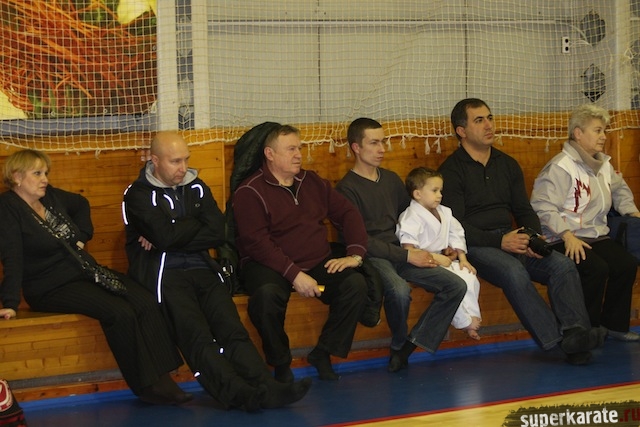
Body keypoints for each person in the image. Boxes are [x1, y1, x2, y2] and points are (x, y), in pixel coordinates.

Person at [122, 131, 311, 411]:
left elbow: (217, 232)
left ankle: (266, 386)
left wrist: (172, 230)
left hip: (203, 268)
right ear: (155, 160)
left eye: (186, 160)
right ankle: (236, 393)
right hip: (165, 276)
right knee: (197, 337)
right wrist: (184, 228)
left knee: (231, 329)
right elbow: (166, 237)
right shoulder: (137, 194)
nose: (183, 168)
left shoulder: (196, 187)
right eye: (175, 161)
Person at [0, 149, 192, 406]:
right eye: (37, 173)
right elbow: (12, 257)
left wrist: (82, 236)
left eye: (45, 173)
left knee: (143, 299)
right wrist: (10, 303)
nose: (44, 179)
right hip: (50, 286)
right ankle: (146, 385)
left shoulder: (50, 196)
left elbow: (81, 204)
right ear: (16, 177)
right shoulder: (8, 208)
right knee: (119, 312)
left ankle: (165, 376)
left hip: (85, 271)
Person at [438, 98, 606, 365]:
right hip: (475, 245)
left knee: (562, 266)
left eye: (490, 118)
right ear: (461, 131)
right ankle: (557, 341)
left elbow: (524, 209)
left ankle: (576, 333)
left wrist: (533, 237)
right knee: (514, 272)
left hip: (512, 236)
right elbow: (454, 226)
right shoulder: (451, 171)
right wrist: (500, 241)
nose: (489, 125)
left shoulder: (507, 164)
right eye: (479, 120)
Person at [233, 124, 369, 382]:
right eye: (291, 149)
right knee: (266, 297)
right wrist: (294, 274)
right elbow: (257, 243)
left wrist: (355, 255)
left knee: (355, 285)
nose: (298, 155)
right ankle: (281, 363)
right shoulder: (250, 191)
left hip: (316, 263)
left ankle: (324, 352)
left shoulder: (313, 182)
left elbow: (348, 213)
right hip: (270, 266)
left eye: (300, 148)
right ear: (270, 154)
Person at [336, 118, 467, 373]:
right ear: (356, 148)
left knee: (456, 285)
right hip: (374, 256)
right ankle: (398, 344)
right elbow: (360, 240)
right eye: (374, 143)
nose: (382, 149)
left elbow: (413, 219)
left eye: (383, 142)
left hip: (403, 251)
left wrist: (441, 246)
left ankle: (412, 344)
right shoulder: (346, 190)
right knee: (398, 291)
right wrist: (407, 256)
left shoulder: (391, 179)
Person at [530, 104, 640, 341]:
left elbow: (620, 189)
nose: (604, 136)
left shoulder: (603, 164)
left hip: (595, 235)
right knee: (595, 269)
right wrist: (566, 235)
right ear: (578, 133)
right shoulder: (560, 167)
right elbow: (542, 206)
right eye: (598, 130)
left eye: (604, 131)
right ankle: (587, 330)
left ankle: (614, 326)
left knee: (626, 264)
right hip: (561, 237)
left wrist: (632, 213)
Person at [396, 167, 482, 340]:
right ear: (418, 194)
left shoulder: (445, 212)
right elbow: (409, 249)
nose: (439, 195)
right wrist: (436, 258)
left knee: (469, 276)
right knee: (455, 284)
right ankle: (464, 321)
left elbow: (456, 233)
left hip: (443, 260)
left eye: (440, 191)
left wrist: (463, 259)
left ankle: (473, 317)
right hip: (421, 263)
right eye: (434, 191)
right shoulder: (410, 216)